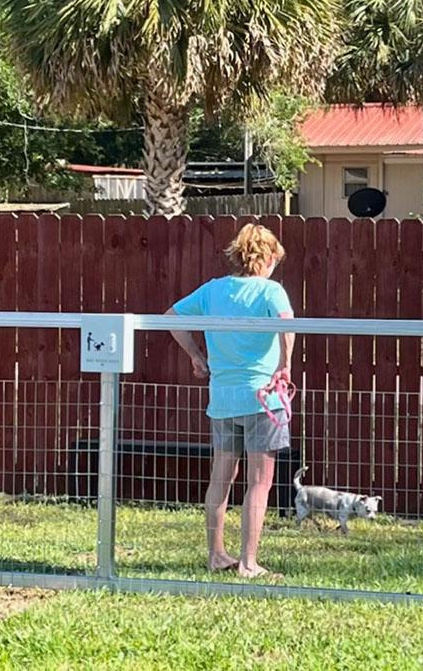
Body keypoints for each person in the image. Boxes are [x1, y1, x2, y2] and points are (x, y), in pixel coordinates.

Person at [166, 224, 295, 579]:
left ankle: (216, 555)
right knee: (259, 481)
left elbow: (171, 319)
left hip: (222, 399)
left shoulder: (212, 290)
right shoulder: (271, 291)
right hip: (262, 399)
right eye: (274, 261)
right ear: (268, 258)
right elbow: (288, 327)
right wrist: (285, 365)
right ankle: (249, 563)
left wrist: (195, 355)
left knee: (221, 477)